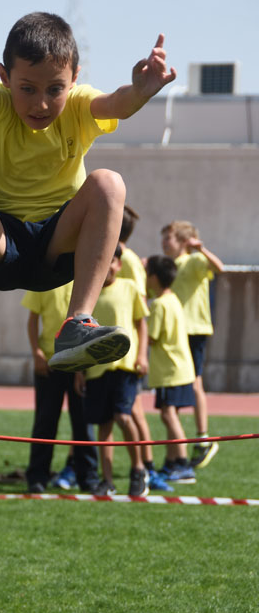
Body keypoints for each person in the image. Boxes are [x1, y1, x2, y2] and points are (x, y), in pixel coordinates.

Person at [0, 12, 176, 375]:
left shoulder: (79, 106)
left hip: (55, 248)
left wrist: (139, 91)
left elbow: (116, 103)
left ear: (74, 79)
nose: (41, 104)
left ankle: (77, 324)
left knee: (109, 182)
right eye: (27, 89)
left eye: (54, 89)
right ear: (4, 78)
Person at [76, 246, 149, 497]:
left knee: (123, 417)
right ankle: (107, 480)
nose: (108, 267)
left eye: (113, 262)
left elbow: (141, 324)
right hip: (97, 369)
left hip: (124, 365)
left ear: (119, 264)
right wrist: (79, 370)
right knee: (103, 426)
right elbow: (81, 334)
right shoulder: (89, 295)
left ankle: (138, 469)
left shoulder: (129, 288)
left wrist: (142, 355)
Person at [22, 282, 99, 495]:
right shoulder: (44, 281)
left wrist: (81, 368)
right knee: (45, 422)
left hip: (80, 364)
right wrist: (36, 352)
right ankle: (37, 477)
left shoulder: (84, 286)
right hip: (49, 363)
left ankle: (88, 478)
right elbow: (32, 320)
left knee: (83, 423)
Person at [161, 221, 224, 469]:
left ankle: (203, 437)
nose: (165, 242)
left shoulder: (194, 261)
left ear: (184, 241)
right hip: (175, 333)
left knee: (195, 381)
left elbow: (219, 268)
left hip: (194, 329)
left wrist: (201, 249)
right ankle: (174, 453)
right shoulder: (168, 268)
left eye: (169, 238)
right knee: (173, 386)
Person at [118, 206, 171, 491]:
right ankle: (146, 467)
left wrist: (139, 353)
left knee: (132, 412)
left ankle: (147, 468)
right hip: (119, 348)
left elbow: (140, 310)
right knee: (128, 413)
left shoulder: (125, 260)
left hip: (123, 351)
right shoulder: (124, 257)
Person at [145, 255, 197, 484]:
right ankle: (172, 461)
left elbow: (152, 337)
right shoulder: (173, 299)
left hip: (170, 370)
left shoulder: (158, 305)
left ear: (153, 278)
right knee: (171, 416)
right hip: (181, 367)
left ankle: (183, 465)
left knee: (168, 415)